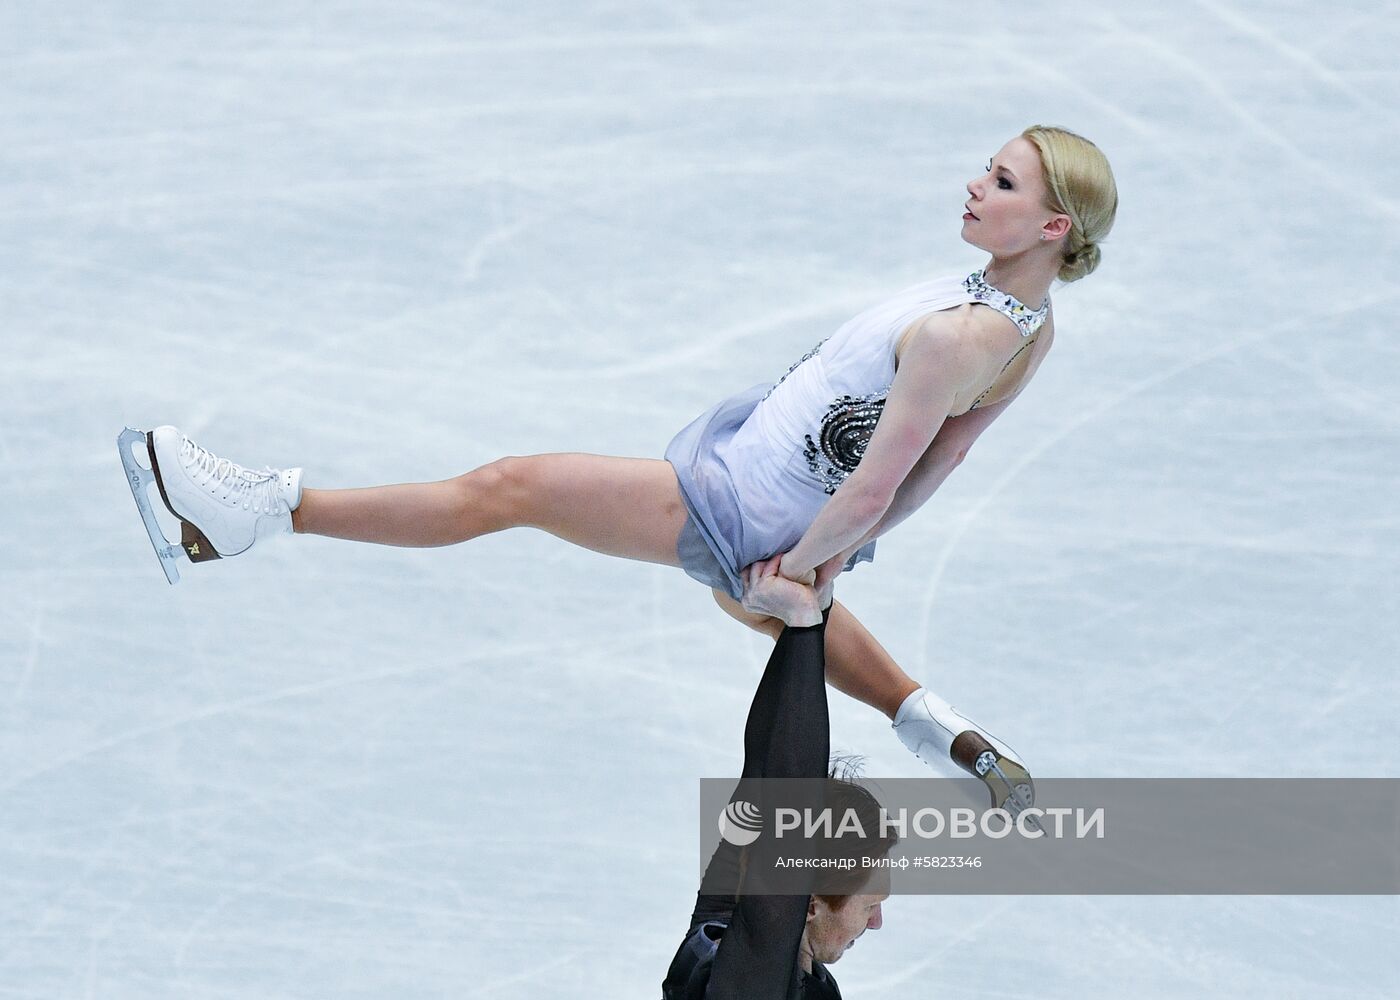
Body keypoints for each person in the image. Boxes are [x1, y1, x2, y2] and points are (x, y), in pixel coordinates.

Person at [118, 125, 1118, 810]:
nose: (972, 186)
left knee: (508, 488)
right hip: (782, 508)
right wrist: (825, 563)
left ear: (1050, 227)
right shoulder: (1028, 328)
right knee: (782, 607)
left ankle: (260, 512)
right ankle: (939, 732)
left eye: (999, 183)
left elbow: (876, 482)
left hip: (742, 502)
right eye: (983, 169)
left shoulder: (959, 338)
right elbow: (932, 474)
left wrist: (792, 561)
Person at [662, 605, 895, 999]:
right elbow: (789, 781)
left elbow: (765, 778)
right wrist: (805, 618)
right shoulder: (752, 988)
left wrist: (805, 617)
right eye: (868, 904)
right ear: (806, 904)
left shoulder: (717, 936)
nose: (876, 922)